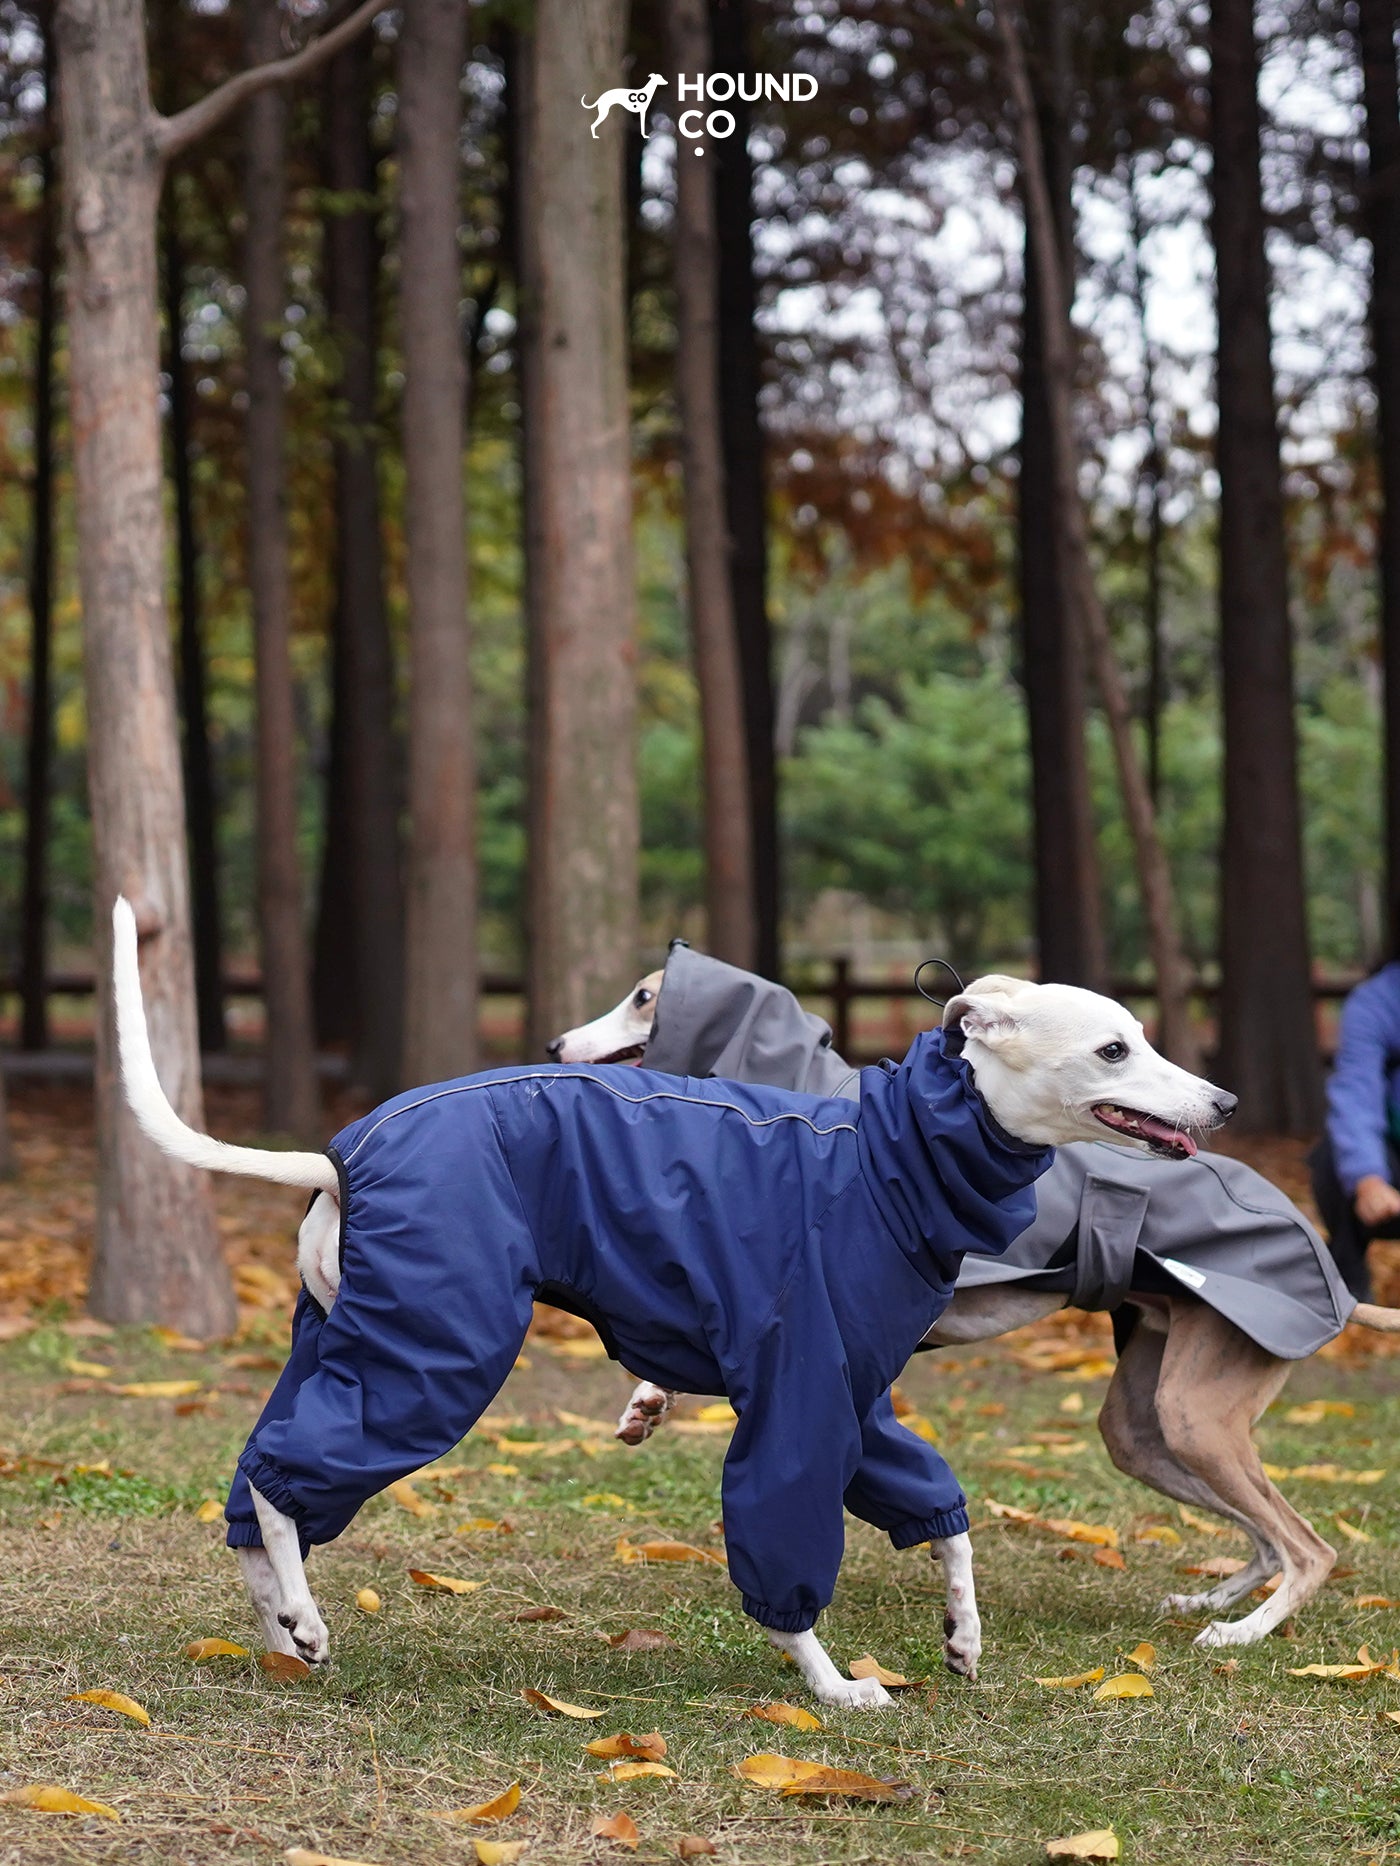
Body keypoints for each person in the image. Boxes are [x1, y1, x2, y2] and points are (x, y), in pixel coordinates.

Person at [1309, 960, 1400, 1300]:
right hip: (1392, 1162)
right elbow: (1356, 1095)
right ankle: (1350, 1294)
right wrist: (1368, 1178)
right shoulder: (1378, 1001)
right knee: (1333, 1159)